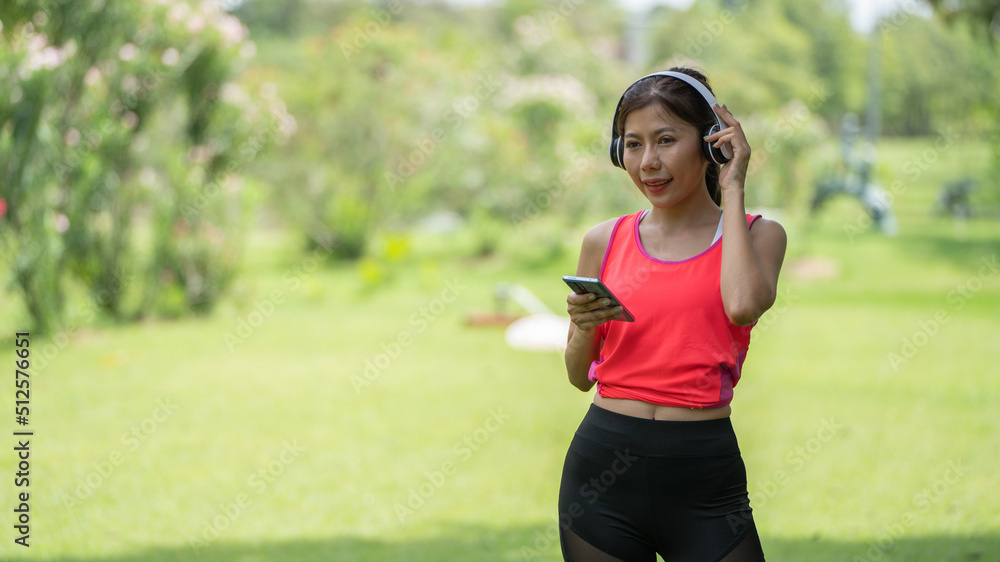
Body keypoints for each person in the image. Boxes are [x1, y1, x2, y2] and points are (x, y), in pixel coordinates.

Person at [559, 67, 786, 561]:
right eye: (633, 144)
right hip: (600, 478)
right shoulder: (604, 240)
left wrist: (733, 187)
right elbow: (579, 376)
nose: (648, 163)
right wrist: (582, 328)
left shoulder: (759, 235)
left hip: (704, 479)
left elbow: (743, 305)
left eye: (665, 140)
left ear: (711, 144)